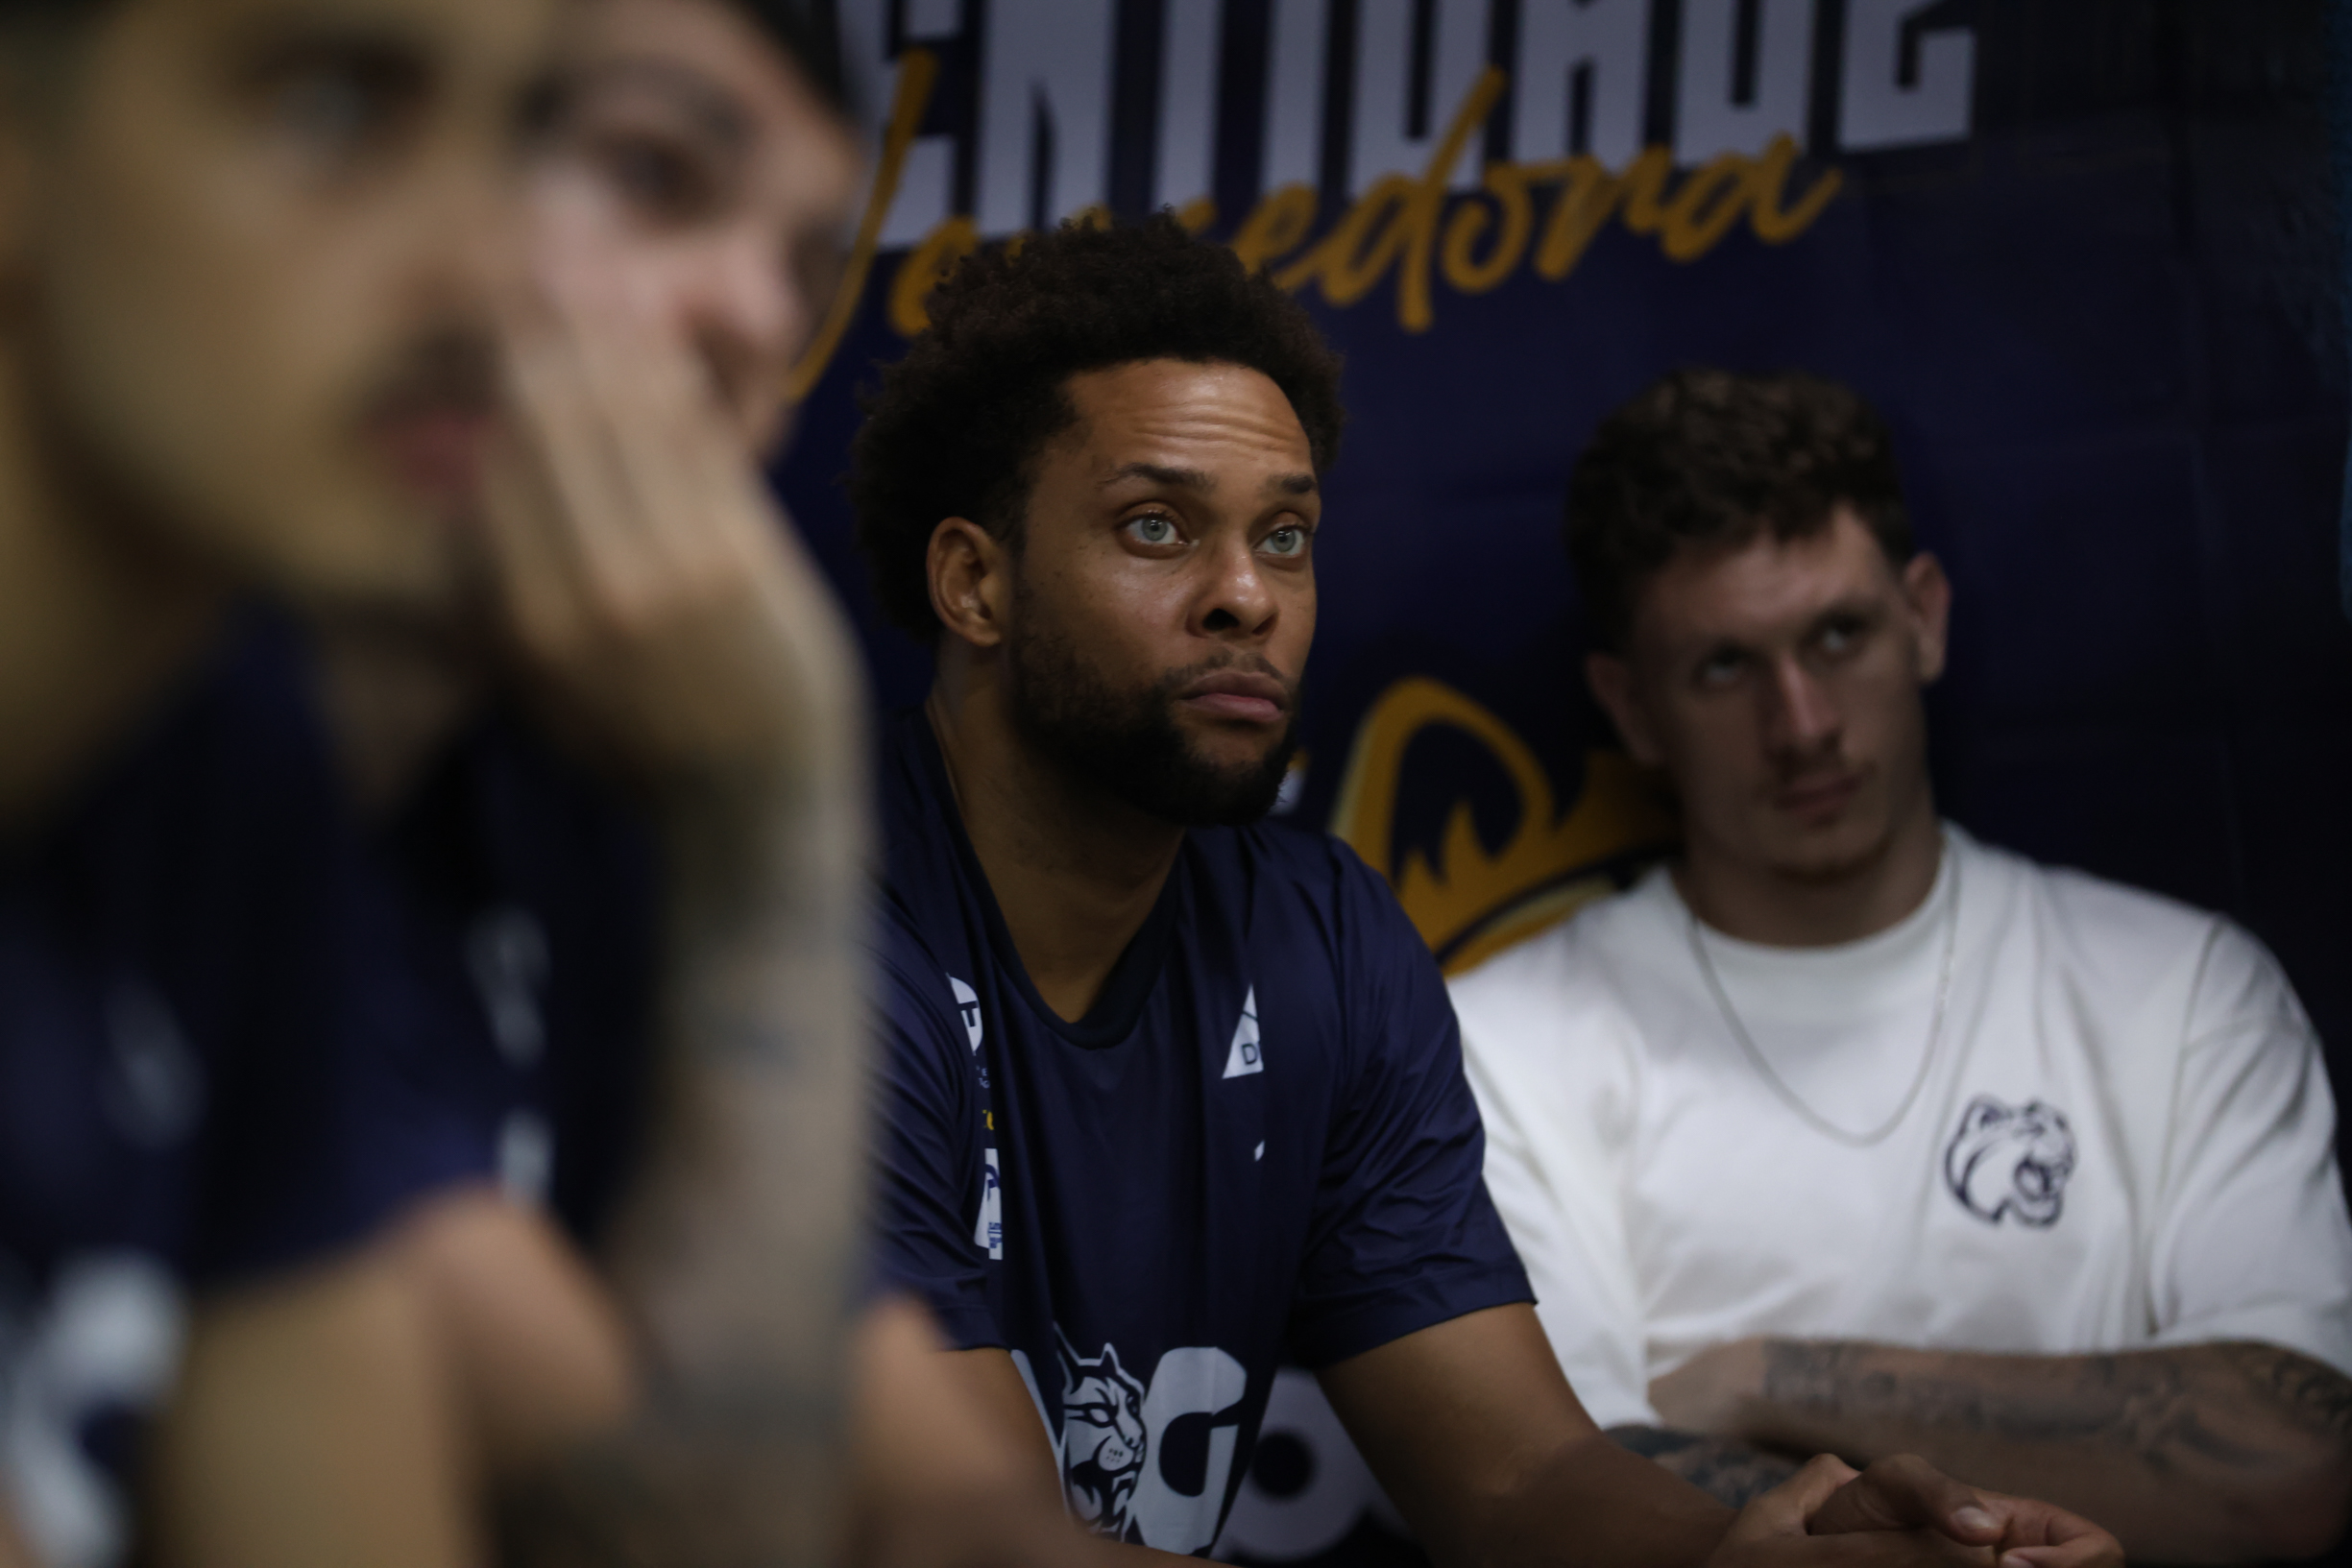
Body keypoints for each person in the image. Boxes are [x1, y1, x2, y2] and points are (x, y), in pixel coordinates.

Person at [854, 216, 2122, 1568]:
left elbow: (1518, 1480)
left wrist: (1747, 1556)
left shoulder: (1321, 943)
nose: (1245, 596)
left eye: (1284, 536)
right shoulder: (793, 936)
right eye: (1155, 527)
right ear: (975, 581)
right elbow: (967, 1540)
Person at [0, 0, 885, 1563]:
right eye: (338, 108)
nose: (486, 267)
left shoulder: (238, 767)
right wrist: (776, 801)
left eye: (810, 279)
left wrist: (779, 793)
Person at [1449, 367, 2352, 1565]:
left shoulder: (2179, 993)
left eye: (1837, 635)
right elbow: (1558, 1494)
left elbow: (2291, 1464)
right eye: (1723, 667)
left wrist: (1762, 1374)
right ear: (1632, 706)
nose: (1802, 723)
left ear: (1922, 617)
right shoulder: (1501, 1046)